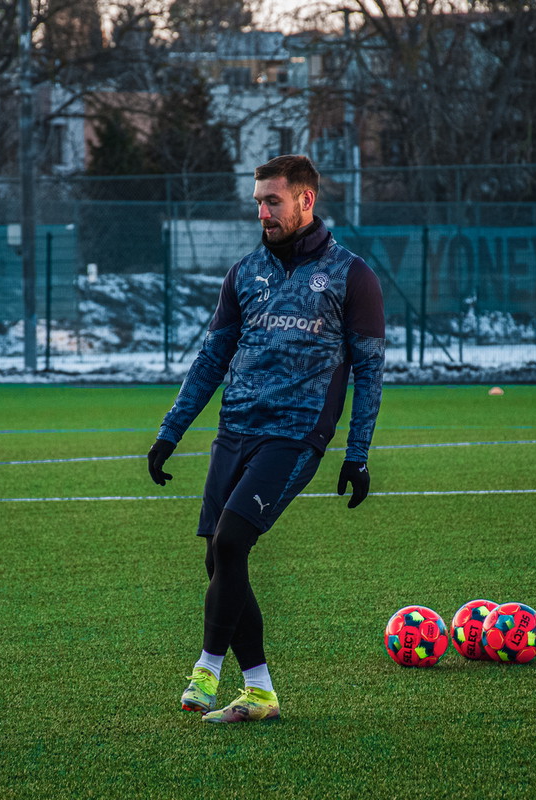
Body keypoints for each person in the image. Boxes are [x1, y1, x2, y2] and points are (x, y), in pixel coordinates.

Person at [146, 154, 386, 724]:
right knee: (218, 558)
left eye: (272, 201)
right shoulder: (244, 272)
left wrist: (357, 454)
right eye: (258, 202)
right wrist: (169, 433)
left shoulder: (352, 275)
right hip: (234, 431)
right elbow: (211, 359)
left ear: (306, 200)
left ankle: (206, 670)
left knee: (231, 544)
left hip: (295, 436)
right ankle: (259, 691)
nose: (262, 212)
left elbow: (369, 371)